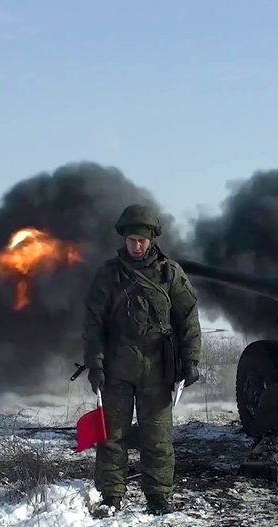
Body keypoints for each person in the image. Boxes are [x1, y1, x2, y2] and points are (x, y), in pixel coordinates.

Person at [82, 204, 201, 516]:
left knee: (158, 439)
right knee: (110, 437)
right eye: (132, 240)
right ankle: (111, 495)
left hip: (158, 371)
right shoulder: (108, 275)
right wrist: (95, 363)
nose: (137, 246)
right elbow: (93, 323)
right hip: (116, 369)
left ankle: (158, 497)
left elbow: (188, 318)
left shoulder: (169, 273)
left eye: (142, 241)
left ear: (152, 240)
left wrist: (191, 359)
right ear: (124, 239)